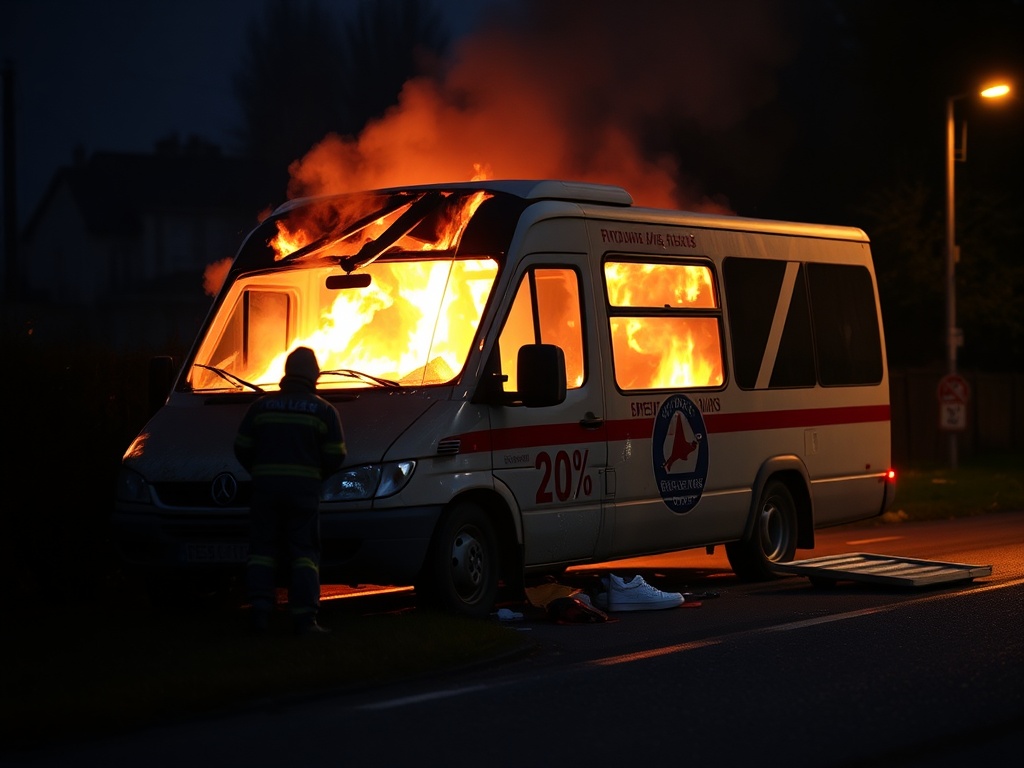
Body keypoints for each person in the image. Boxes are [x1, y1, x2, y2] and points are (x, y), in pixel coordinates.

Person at [233, 347, 347, 635]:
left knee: (261, 551)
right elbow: (336, 455)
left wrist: (261, 472)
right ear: (314, 375)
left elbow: (242, 447)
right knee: (304, 554)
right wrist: (314, 475)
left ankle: (259, 613)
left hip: (265, 492)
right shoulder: (324, 410)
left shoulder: (261, 407)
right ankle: (304, 619)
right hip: (303, 494)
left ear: (286, 373)